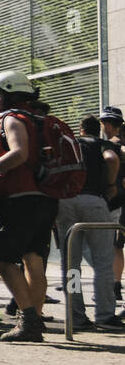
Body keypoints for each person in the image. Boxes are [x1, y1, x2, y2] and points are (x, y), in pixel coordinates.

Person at [0, 70, 60, 343]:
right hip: (45, 199)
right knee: (33, 259)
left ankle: (29, 320)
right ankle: (33, 319)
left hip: (19, 199)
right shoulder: (38, 119)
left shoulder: (12, 118)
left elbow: (19, 153)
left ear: (9, 93)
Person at [55, 116, 122, 330]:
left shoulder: (70, 144)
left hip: (65, 201)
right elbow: (111, 159)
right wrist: (111, 185)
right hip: (94, 201)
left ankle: (75, 315)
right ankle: (105, 315)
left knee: (71, 265)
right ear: (97, 130)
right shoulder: (102, 144)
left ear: (80, 130)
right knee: (103, 263)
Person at [100, 106, 125, 310]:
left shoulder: (110, 147)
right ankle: (115, 285)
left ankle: (113, 286)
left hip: (116, 201)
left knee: (113, 245)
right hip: (119, 201)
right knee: (117, 244)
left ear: (107, 124)